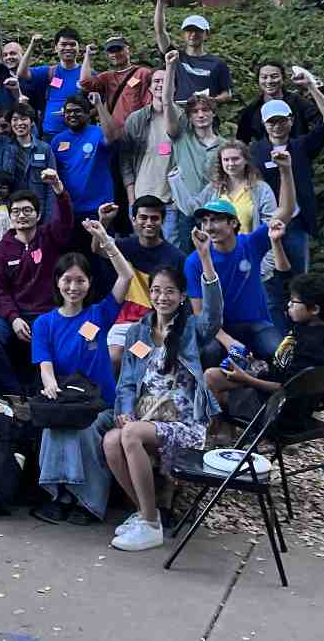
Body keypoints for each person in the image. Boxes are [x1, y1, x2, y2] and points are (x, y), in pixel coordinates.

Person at [105, 230, 221, 552]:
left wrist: (206, 259)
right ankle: (147, 513)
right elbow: (127, 381)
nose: (161, 297)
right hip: (148, 417)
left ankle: (151, 525)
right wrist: (124, 411)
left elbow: (213, 316)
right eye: (156, 291)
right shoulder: (138, 331)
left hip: (185, 423)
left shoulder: (189, 329)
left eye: (170, 291)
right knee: (112, 439)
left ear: (182, 296)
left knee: (130, 435)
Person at [31, 224, 135, 524]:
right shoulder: (44, 323)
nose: (73, 287)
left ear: (90, 283)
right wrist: (51, 387)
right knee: (56, 427)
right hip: (65, 401)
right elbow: (45, 365)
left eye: (80, 281)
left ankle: (87, 501)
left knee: (86, 430)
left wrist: (105, 241)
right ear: (57, 283)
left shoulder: (99, 314)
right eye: (67, 280)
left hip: (100, 404)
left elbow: (126, 276)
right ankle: (59, 494)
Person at [185, 149, 296, 370]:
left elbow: (286, 210)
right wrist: (229, 341)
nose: (208, 227)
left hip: (257, 325)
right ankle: (216, 402)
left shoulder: (250, 243)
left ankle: (274, 400)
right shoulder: (195, 261)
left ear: (233, 223)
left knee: (282, 355)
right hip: (220, 331)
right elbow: (199, 315)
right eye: (204, 221)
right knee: (210, 353)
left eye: (216, 220)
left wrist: (285, 170)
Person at [206, 272, 324, 430]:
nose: (289, 305)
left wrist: (246, 378)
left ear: (314, 309)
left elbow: (285, 388)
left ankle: (223, 432)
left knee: (212, 383)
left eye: (294, 302)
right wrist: (257, 365)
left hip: (277, 410)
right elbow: (287, 369)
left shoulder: (314, 346)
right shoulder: (321, 328)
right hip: (278, 395)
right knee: (213, 375)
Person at [249, 85, 324, 330]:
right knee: (269, 287)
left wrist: (311, 85)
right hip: (264, 228)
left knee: (299, 285)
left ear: (290, 121)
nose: (277, 126)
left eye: (281, 121)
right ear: (264, 124)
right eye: (271, 122)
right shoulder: (255, 151)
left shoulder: (301, 146)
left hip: (296, 226)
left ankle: (299, 336)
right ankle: (275, 340)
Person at [0, 171, 73, 398]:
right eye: (16, 211)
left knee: (50, 338)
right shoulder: (2, 248)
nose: (22, 215)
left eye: (28, 210)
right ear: (10, 216)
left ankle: (39, 390)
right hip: (16, 313)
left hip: (47, 312)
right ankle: (13, 392)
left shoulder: (49, 236)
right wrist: (13, 318)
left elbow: (66, 222)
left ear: (38, 214)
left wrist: (59, 191)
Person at [94, 197, 186, 373]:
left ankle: (140, 398)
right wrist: (104, 221)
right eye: (143, 217)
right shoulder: (122, 246)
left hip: (155, 326)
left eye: (154, 218)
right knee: (113, 357)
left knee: (138, 356)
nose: (149, 223)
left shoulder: (177, 257)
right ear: (133, 219)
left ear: (162, 220)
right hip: (122, 321)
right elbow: (98, 248)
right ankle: (113, 400)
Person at [171, 139, 277, 254]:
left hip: (249, 255)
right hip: (219, 257)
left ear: (246, 160)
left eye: (235, 159)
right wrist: (175, 180)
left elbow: (270, 228)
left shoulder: (261, 189)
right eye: (226, 160)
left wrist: (265, 265)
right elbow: (191, 209)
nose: (231, 164)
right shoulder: (214, 188)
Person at [121, 52, 181, 239]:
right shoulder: (136, 119)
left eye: (165, 80)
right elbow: (126, 162)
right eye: (156, 81)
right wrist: (131, 199)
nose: (160, 85)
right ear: (149, 88)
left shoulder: (182, 117)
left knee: (172, 248)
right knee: (141, 251)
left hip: (171, 200)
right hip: (141, 198)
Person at [50, 93, 121, 229]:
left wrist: (99, 104)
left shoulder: (98, 133)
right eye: (68, 111)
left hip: (99, 209)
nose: (72, 115)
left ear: (88, 114)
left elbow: (112, 137)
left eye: (77, 111)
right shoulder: (57, 140)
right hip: (70, 209)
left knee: (99, 249)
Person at [152, 0, 231, 103]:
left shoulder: (218, 63)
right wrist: (160, 2)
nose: (193, 34)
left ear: (207, 34)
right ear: (183, 34)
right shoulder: (175, 57)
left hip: (204, 115)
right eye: (189, 30)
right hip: (179, 115)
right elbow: (160, 31)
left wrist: (212, 100)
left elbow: (227, 93)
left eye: (198, 31)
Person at [164, 94, 223, 248]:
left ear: (213, 113)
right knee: (188, 258)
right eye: (195, 111)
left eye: (205, 110)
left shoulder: (225, 145)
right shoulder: (181, 138)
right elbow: (167, 103)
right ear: (189, 117)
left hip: (215, 211)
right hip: (187, 213)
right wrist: (170, 69)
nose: (201, 114)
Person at [17, 28, 89, 139]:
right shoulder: (49, 72)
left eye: (72, 44)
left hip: (79, 134)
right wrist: (32, 46)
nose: (68, 48)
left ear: (79, 48)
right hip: (50, 134)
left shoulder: (87, 73)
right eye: (63, 44)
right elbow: (22, 73)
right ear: (56, 48)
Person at [235, 61, 323, 146]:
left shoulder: (297, 102)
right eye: (264, 77)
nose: (269, 81)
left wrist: (312, 85)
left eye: (274, 76)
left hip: (297, 153)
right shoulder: (252, 109)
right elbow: (242, 140)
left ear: (283, 78)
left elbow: (323, 119)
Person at [78, 36, 153, 132]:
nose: (115, 54)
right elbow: (85, 83)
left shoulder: (143, 73)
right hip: (114, 132)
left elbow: (149, 105)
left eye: (118, 49)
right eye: (111, 51)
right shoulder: (106, 77)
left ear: (128, 50)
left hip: (137, 130)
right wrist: (87, 56)